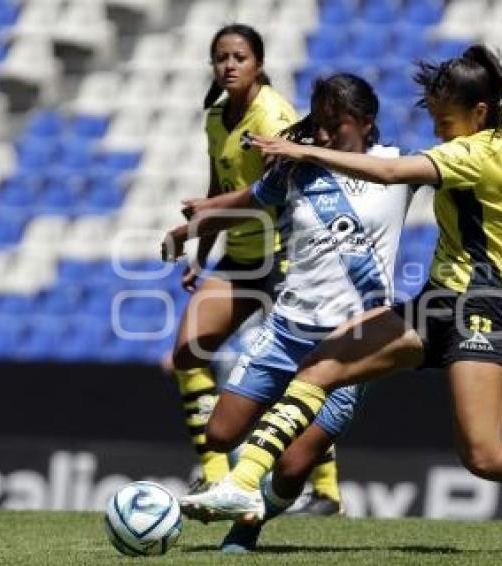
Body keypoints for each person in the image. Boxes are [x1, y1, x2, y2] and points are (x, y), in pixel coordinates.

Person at [184, 45, 502, 553]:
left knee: (484, 456)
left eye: (446, 119)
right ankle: (241, 484)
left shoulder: (473, 154)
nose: (439, 128)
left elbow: (392, 174)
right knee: (321, 366)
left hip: (479, 308)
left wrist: (307, 150)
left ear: (478, 113)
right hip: (435, 300)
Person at [164, 73, 417, 553]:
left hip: (351, 345)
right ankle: (242, 483)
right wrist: (195, 225)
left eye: (334, 126)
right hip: (285, 331)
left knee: (293, 467)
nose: (321, 136)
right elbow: (248, 202)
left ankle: (247, 523)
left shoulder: (399, 168)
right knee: (220, 434)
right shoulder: (296, 171)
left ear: (366, 123)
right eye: (317, 125)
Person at [170, 23, 343, 512]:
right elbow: (215, 183)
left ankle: (326, 490)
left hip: (286, 255)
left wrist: (206, 215)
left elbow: (277, 193)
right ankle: (212, 474)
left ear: (258, 64)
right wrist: (201, 252)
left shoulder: (274, 116)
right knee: (188, 352)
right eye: (221, 57)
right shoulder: (217, 117)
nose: (229, 65)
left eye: (239, 57)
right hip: (241, 256)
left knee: (303, 372)